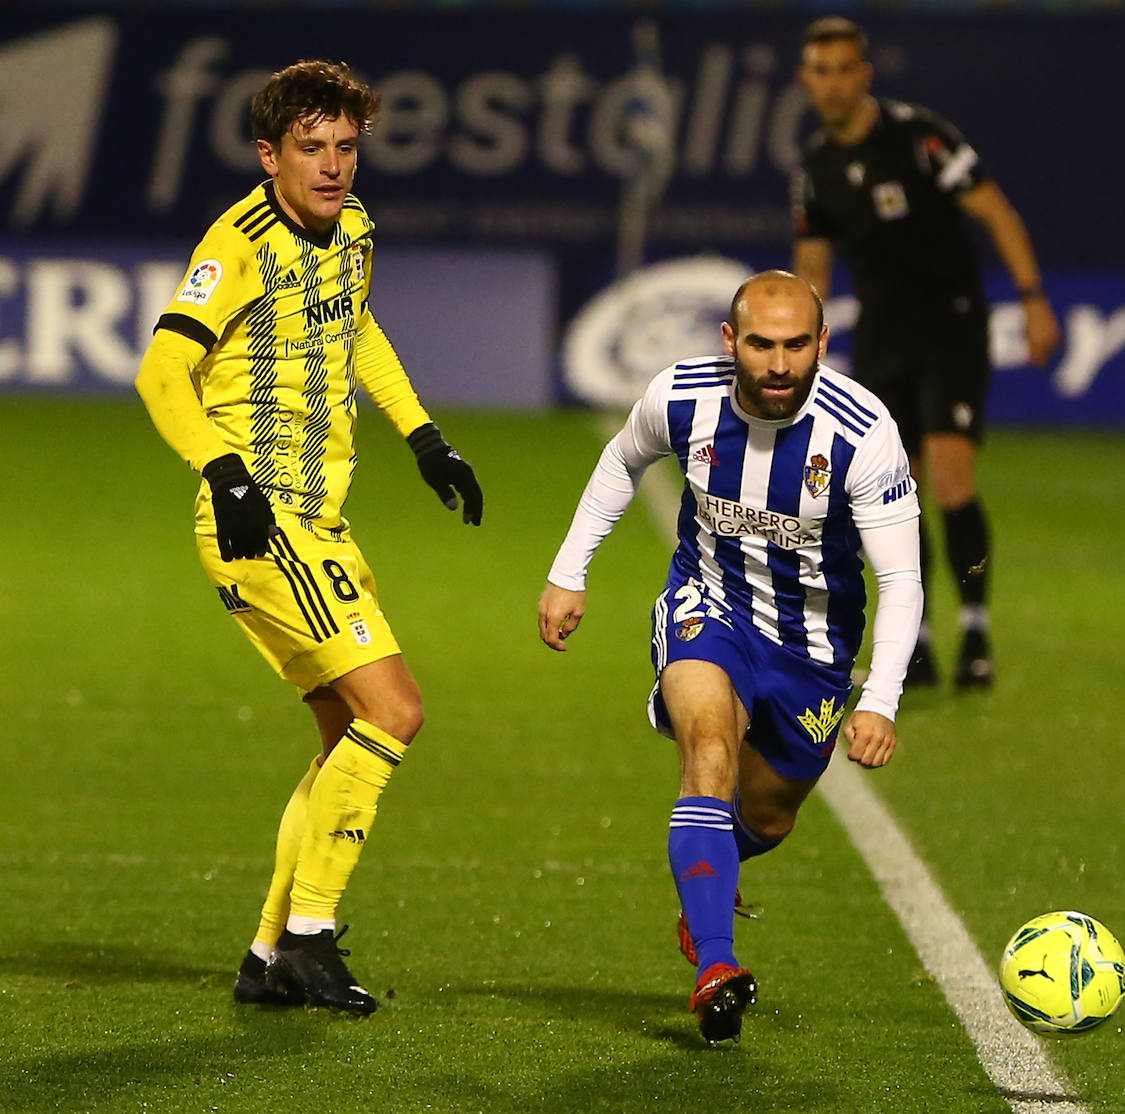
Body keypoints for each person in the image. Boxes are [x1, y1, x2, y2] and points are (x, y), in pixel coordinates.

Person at [135, 60, 483, 1016]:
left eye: (345, 147)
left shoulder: (354, 229)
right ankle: (309, 936)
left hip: (318, 520)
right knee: (396, 709)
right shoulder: (236, 243)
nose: (332, 167)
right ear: (269, 154)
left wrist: (424, 435)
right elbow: (162, 372)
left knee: (346, 739)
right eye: (310, 148)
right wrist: (222, 467)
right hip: (260, 518)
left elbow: (358, 328)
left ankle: (265, 957)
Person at [537, 270, 922, 1045]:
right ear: (729, 342)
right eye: (759, 344)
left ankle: (704, 888)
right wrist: (568, 571)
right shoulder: (681, 397)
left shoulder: (864, 432)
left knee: (769, 817)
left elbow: (900, 576)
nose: (777, 364)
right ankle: (717, 964)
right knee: (708, 752)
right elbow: (621, 462)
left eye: (794, 346)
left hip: (813, 649)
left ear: (820, 343)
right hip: (706, 608)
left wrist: (880, 696)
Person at [792, 16, 1061, 690]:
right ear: (807, 79)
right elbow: (813, 267)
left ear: (865, 74)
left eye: (843, 69)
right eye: (819, 71)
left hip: (953, 324)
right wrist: (798, 348)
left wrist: (1032, 298)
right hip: (884, 335)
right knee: (898, 494)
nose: (831, 83)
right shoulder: (816, 168)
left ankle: (975, 628)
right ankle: (919, 638)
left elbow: (996, 211)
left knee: (951, 476)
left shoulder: (920, 138)